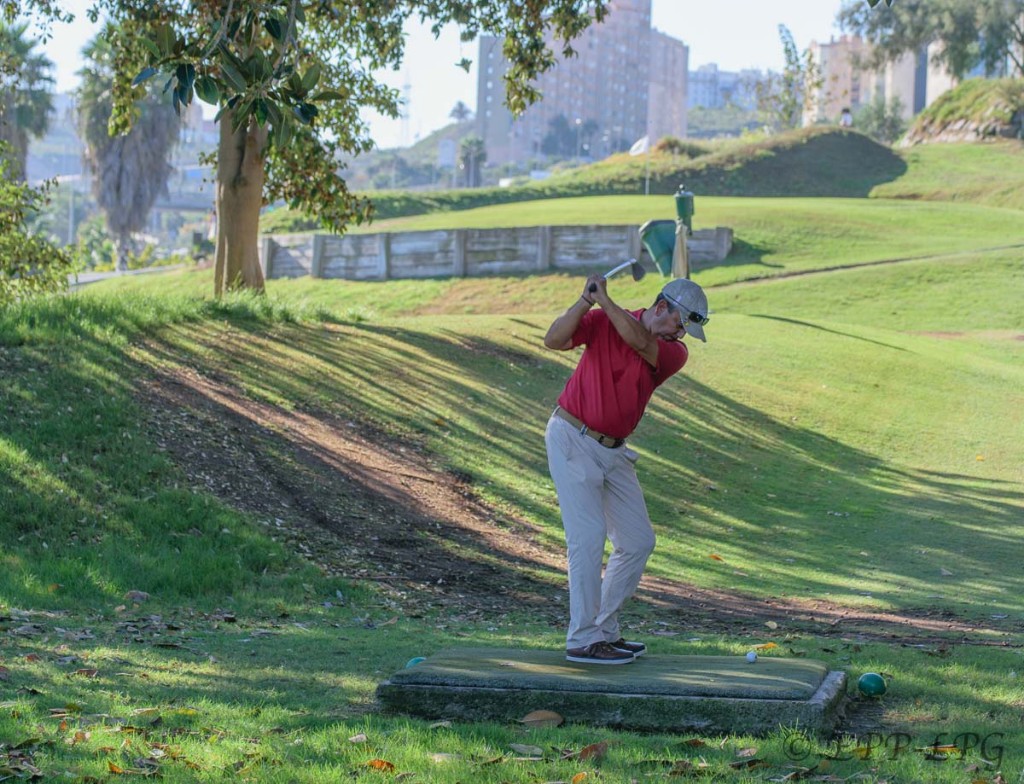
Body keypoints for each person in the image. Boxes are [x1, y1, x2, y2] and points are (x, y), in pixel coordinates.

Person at [543, 274, 709, 664]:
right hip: (572, 437)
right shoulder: (603, 321)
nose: (680, 334)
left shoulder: (672, 352)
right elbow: (553, 339)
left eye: (686, 329)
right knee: (587, 536)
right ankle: (583, 639)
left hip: (614, 452)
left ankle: (603, 629)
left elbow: (638, 340)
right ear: (662, 306)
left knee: (637, 541)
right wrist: (586, 301)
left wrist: (604, 300)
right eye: (679, 323)